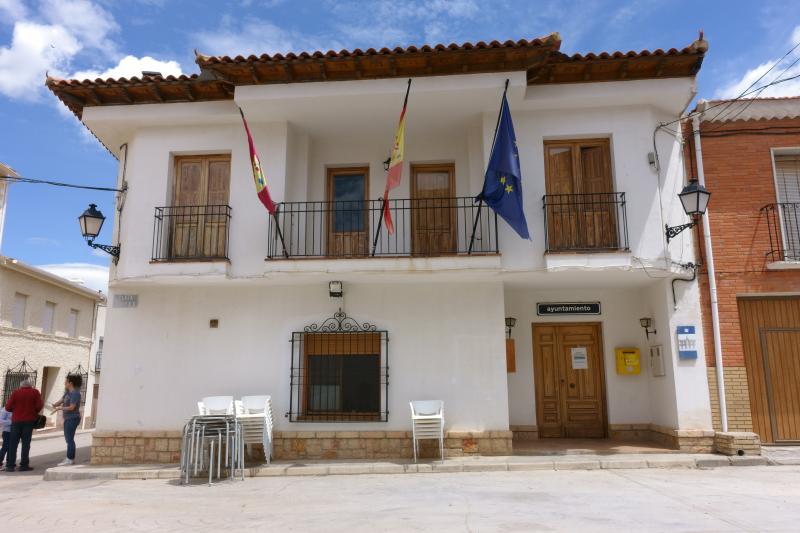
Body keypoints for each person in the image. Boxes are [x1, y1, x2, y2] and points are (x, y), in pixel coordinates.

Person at [4, 378, 44, 472]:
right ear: (30, 386)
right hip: (29, 421)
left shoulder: (16, 392)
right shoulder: (35, 392)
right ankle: (24, 465)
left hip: (16, 421)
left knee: (13, 443)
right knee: (26, 444)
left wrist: (15, 410)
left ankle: (10, 466)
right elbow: (39, 405)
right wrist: (34, 411)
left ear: (21, 386)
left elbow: (8, 407)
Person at [52, 375, 82, 466]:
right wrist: (55, 404)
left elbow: (72, 407)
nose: (64, 383)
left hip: (73, 418)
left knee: (69, 439)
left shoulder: (75, 393)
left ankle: (70, 459)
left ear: (70, 383)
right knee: (68, 439)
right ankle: (70, 458)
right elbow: (61, 401)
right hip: (68, 418)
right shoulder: (67, 393)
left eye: (66, 381)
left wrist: (60, 408)